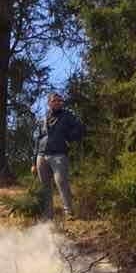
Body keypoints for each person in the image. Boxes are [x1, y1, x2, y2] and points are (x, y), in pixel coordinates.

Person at [31, 91, 82, 221]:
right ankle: (48, 215)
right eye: (54, 101)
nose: (58, 103)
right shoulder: (43, 118)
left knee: (62, 183)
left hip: (59, 155)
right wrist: (33, 162)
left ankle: (68, 212)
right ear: (49, 103)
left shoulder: (67, 115)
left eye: (59, 101)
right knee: (45, 187)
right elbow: (37, 139)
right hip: (41, 156)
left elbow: (79, 127)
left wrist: (69, 138)